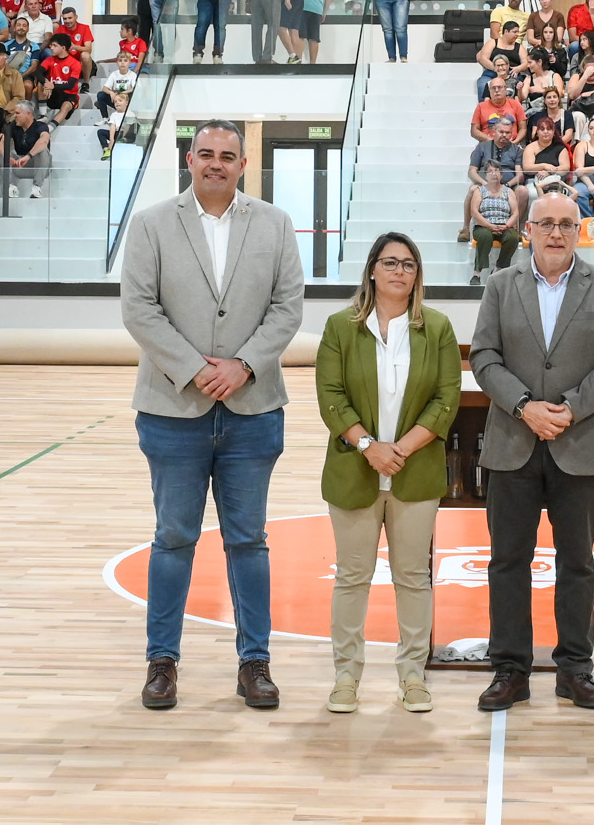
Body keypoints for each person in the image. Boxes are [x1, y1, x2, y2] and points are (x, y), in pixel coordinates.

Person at [117, 120, 306, 712]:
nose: (216, 164)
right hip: (174, 409)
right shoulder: (150, 224)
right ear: (189, 160)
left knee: (249, 541)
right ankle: (161, 664)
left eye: (228, 155)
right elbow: (138, 309)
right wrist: (197, 369)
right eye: (206, 154)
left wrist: (243, 365)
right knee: (173, 539)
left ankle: (255, 664)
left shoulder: (274, 225)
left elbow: (288, 307)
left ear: (243, 164)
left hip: (252, 410)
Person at [469, 182, 594, 712]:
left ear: (577, 231)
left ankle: (574, 669)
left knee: (578, 563)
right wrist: (524, 407)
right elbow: (484, 357)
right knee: (507, 562)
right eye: (547, 224)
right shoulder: (499, 284)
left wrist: (568, 407)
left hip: (576, 441)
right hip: (512, 443)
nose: (556, 233)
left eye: (566, 224)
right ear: (529, 231)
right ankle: (510, 669)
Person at [316, 232, 460, 716]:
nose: (400, 271)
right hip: (355, 470)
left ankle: (413, 676)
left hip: (413, 471)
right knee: (352, 576)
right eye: (391, 262)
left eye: (409, 264)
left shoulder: (436, 327)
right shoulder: (340, 326)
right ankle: (346, 676)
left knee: (414, 577)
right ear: (372, 270)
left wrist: (397, 449)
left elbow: (446, 399)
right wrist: (366, 446)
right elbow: (330, 395)